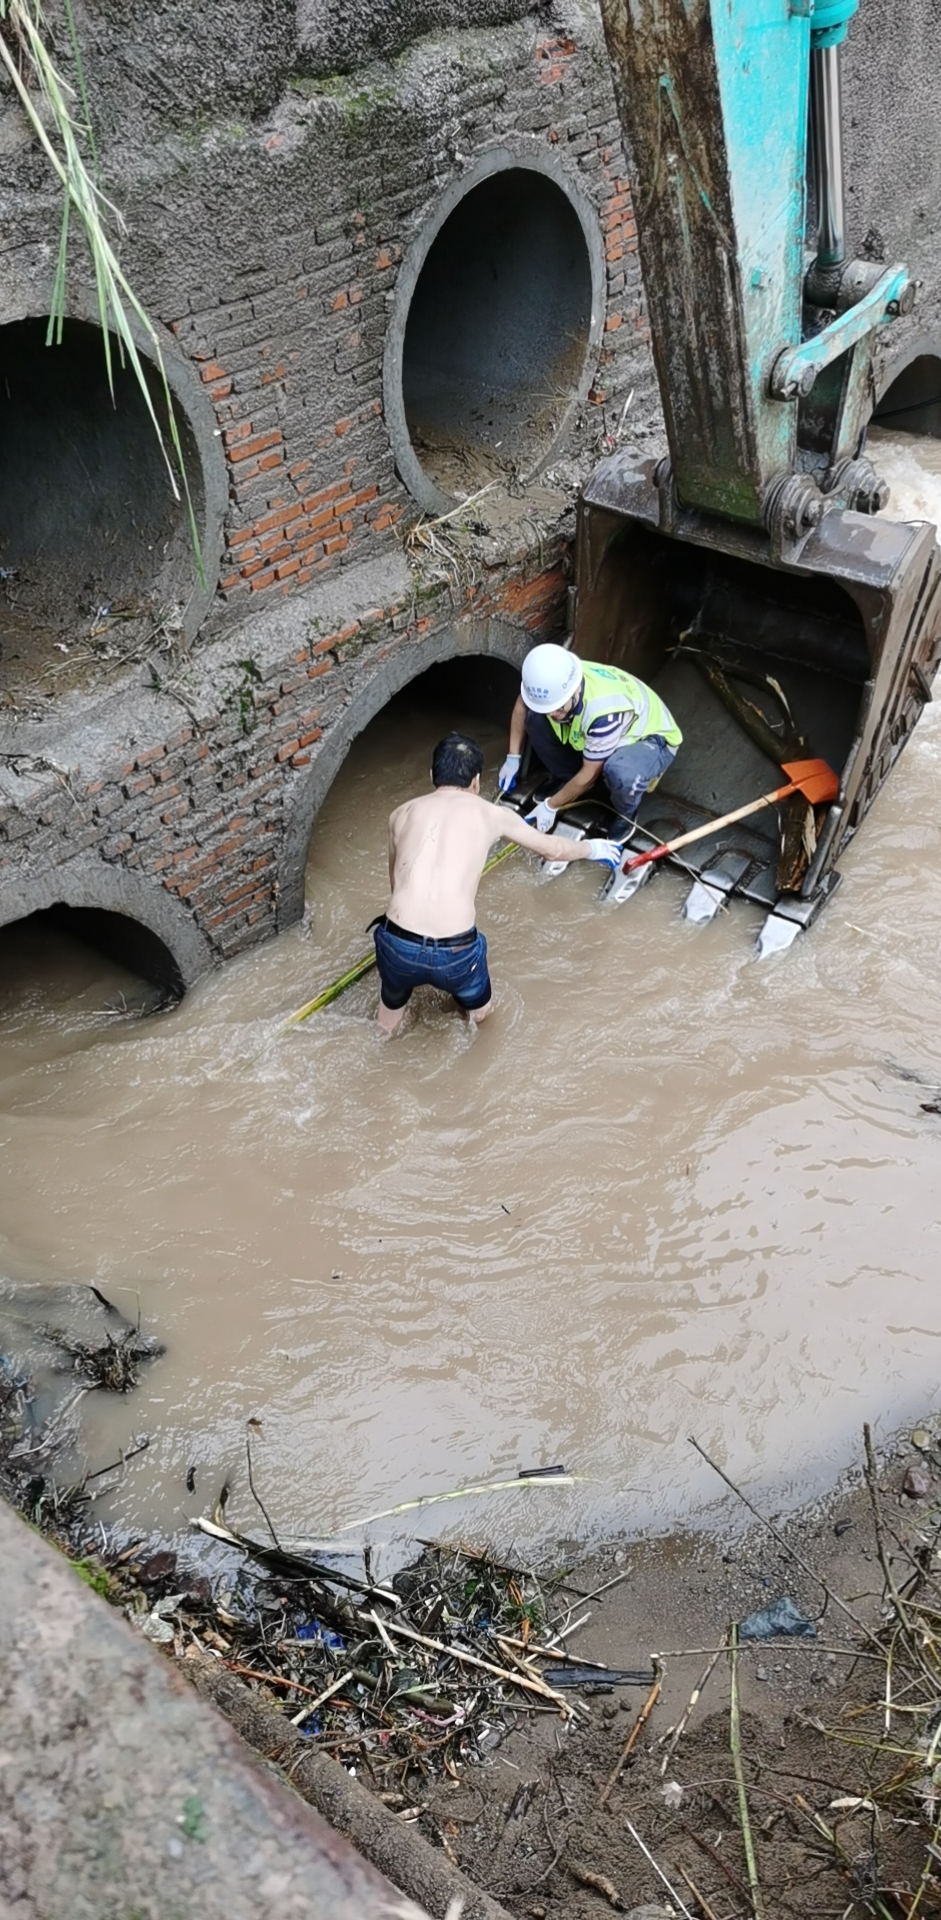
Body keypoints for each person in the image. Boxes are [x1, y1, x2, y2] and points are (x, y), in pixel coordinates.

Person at [374, 731, 622, 1034]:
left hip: (398, 941)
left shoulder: (400, 814)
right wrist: (593, 848)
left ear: (432, 775)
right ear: (476, 782)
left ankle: (384, 1033)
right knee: (482, 1019)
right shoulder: (492, 814)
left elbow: (394, 882)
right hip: (456, 951)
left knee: (386, 1024)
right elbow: (553, 849)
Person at [498, 641, 682, 832]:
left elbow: (589, 774)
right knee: (535, 718)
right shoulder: (550, 685)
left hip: (651, 739)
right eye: (548, 708)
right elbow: (522, 707)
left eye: (558, 708)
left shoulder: (602, 713)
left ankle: (626, 814)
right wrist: (513, 757)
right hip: (601, 729)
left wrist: (550, 806)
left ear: (574, 690)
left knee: (620, 772)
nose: (552, 714)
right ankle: (567, 780)